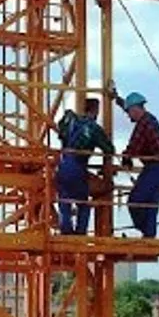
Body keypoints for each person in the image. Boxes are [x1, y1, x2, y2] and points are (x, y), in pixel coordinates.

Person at [110, 86, 159, 238]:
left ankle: (145, 229)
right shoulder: (147, 118)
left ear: (136, 109)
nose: (129, 117)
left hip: (155, 166)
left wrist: (126, 158)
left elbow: (134, 145)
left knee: (135, 201)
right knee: (150, 204)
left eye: (130, 112)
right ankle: (149, 234)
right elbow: (128, 107)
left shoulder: (143, 124)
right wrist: (117, 98)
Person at [56, 97, 115, 235]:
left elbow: (61, 131)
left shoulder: (71, 121)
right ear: (95, 111)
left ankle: (66, 230)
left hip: (63, 163)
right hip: (77, 165)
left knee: (64, 199)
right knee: (83, 202)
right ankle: (80, 232)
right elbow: (109, 149)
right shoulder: (93, 128)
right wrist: (106, 167)